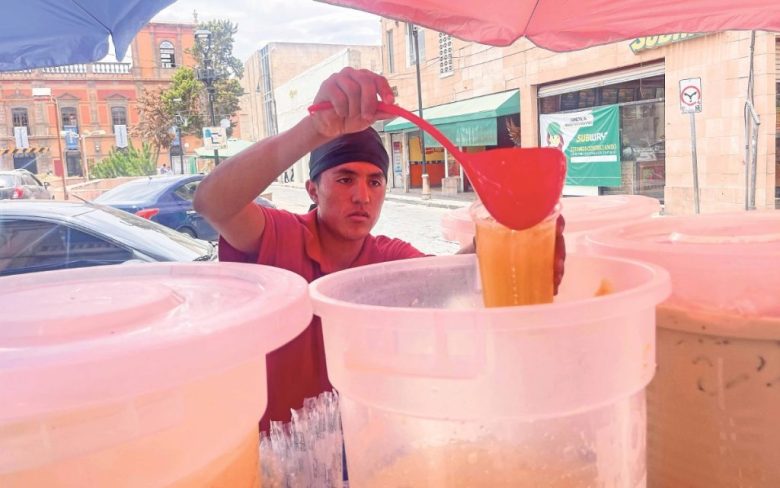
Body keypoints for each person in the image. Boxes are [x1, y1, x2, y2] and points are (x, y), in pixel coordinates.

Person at [193, 67, 565, 431]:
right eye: (344, 179)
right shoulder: (281, 236)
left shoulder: (386, 258)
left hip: (363, 447)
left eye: (375, 181)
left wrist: (510, 234)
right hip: (280, 460)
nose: (361, 195)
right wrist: (313, 130)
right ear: (312, 190)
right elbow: (213, 202)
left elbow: (451, 278)